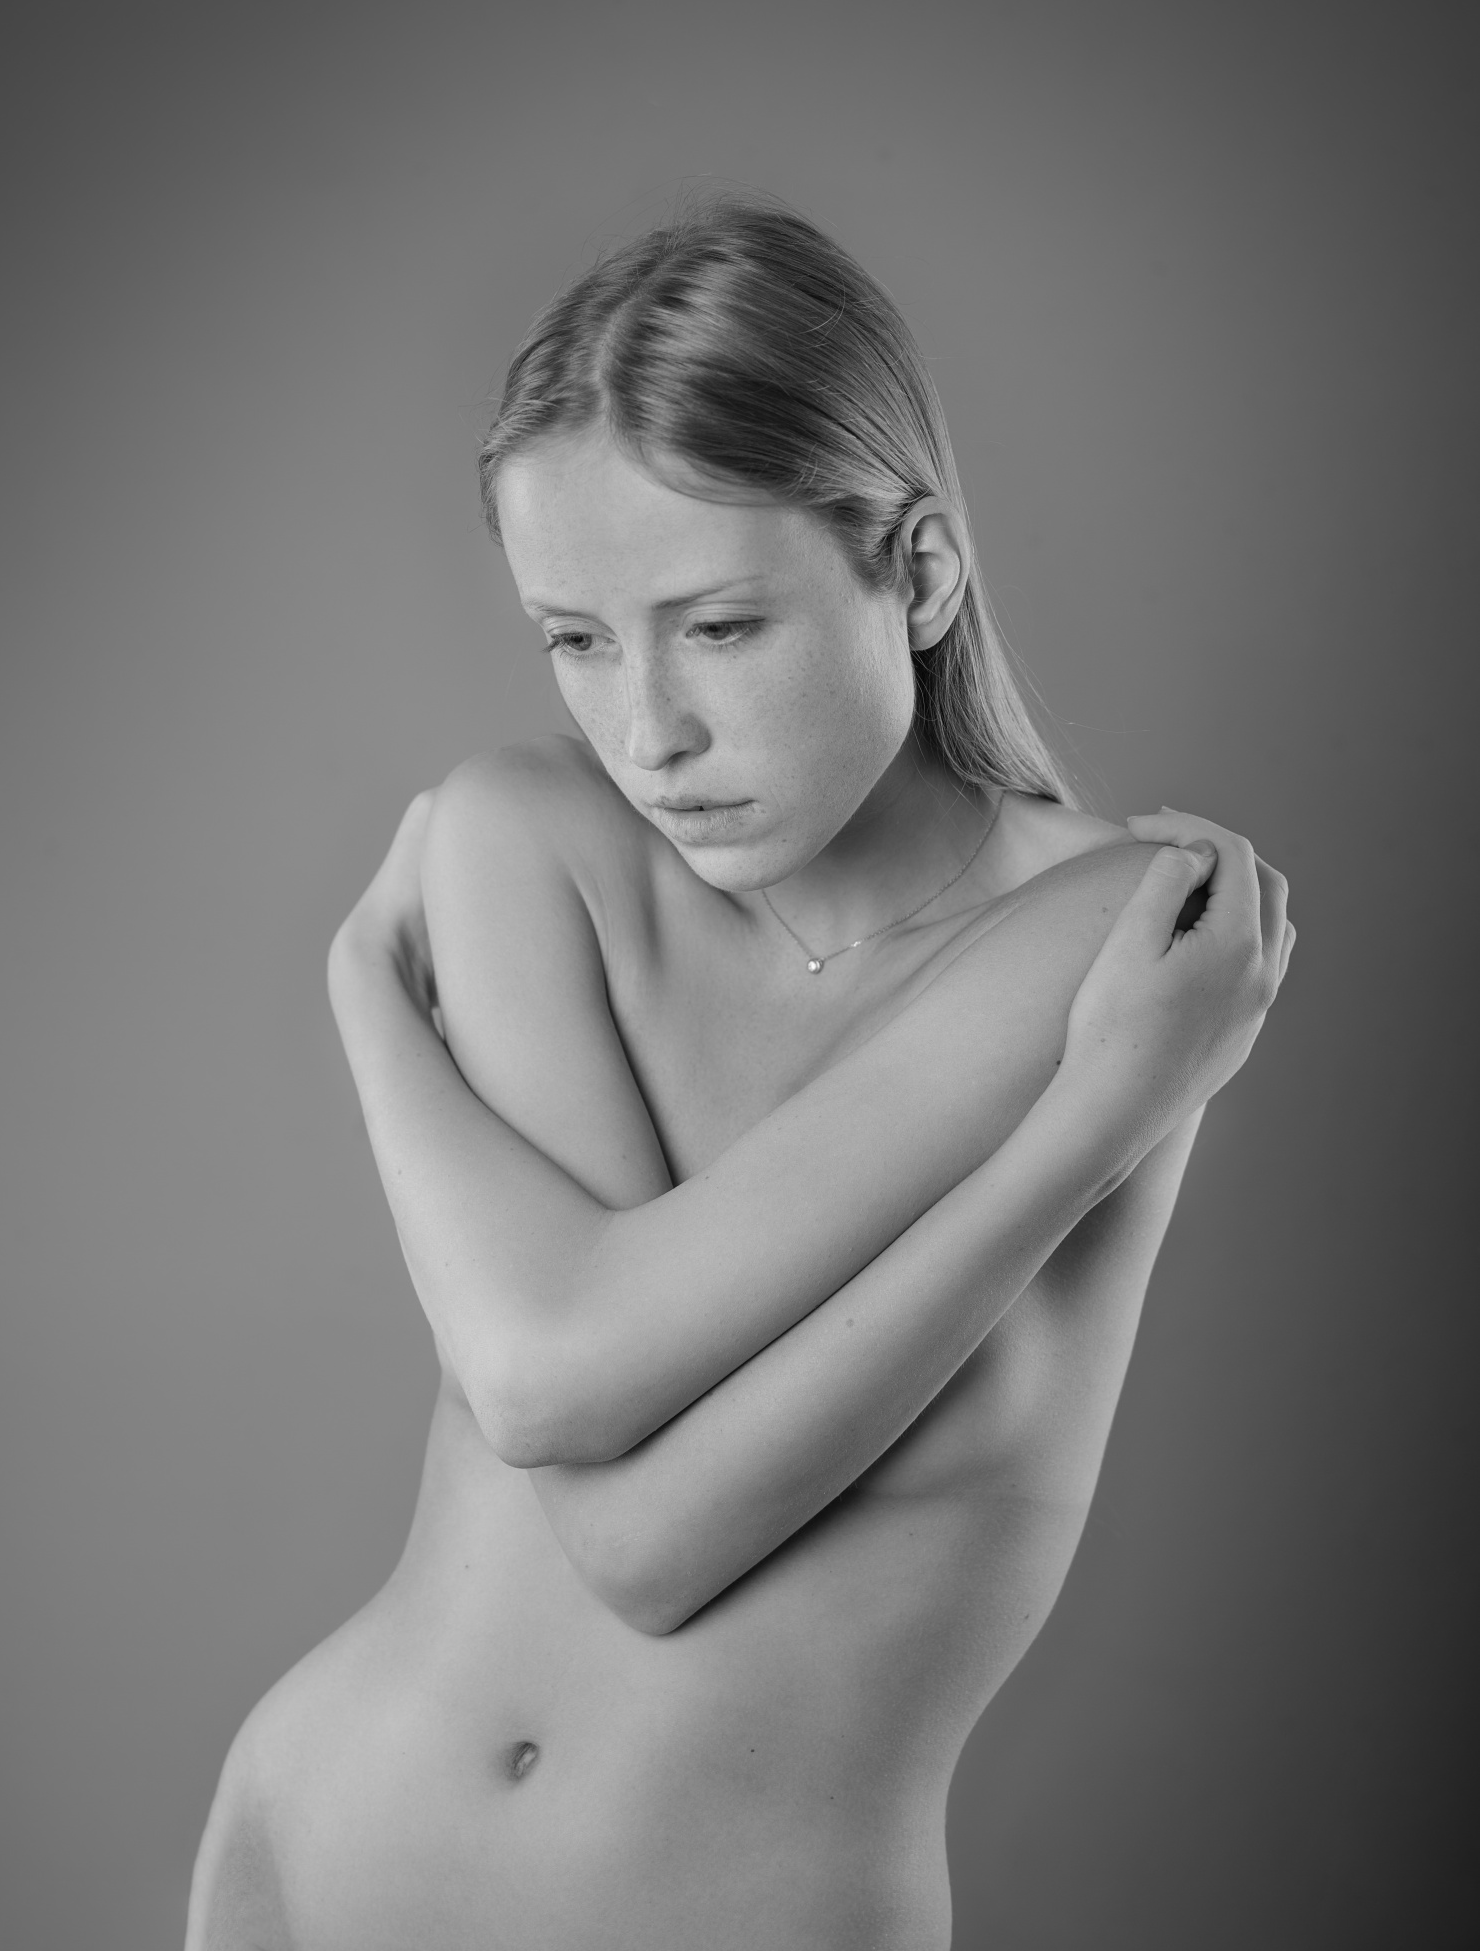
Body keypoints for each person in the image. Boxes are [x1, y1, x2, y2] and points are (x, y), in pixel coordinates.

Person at [185, 201, 1293, 1949]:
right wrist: (357, 992)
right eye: (574, 637)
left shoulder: (1114, 934)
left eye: (713, 627)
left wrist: (1090, 1125)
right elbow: (554, 1376)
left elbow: (648, 1548)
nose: (649, 735)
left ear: (916, 575)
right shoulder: (527, 836)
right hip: (316, 1855)